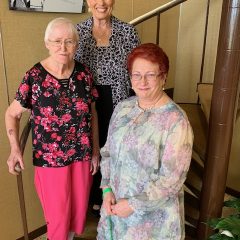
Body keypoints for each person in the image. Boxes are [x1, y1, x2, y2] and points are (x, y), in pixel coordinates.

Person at [5, 17, 99, 240]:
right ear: (47, 43)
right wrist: (15, 150)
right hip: (50, 160)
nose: (63, 47)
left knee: (77, 214)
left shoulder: (84, 74)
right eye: (56, 41)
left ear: (77, 44)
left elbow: (92, 113)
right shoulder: (34, 77)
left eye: (69, 41)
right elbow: (11, 114)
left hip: (82, 156)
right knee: (57, 217)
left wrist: (95, 150)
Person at [97, 43, 194, 240]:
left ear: (163, 77)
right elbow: (107, 152)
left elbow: (171, 181)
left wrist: (133, 205)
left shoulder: (176, 121)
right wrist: (106, 189)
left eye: (150, 75)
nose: (142, 81)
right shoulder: (123, 108)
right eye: (136, 74)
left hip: (150, 224)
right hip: (115, 210)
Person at [75, 0, 140, 216]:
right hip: (88, 104)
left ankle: (118, 196)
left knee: (117, 150)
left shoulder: (128, 32)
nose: (101, 3)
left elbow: (136, 71)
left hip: (120, 102)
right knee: (91, 149)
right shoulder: (78, 32)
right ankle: (94, 198)